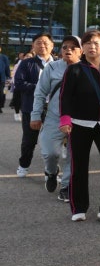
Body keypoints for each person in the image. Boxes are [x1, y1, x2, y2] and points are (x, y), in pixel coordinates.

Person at [59, 30, 100, 222]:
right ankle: (78, 207)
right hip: (80, 125)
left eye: (95, 43)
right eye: (87, 43)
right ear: (83, 48)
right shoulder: (75, 69)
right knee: (79, 166)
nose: (91, 46)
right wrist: (65, 119)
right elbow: (65, 96)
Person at [30, 36, 83, 200]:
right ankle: (51, 172)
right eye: (65, 47)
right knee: (50, 153)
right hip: (54, 118)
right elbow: (40, 93)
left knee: (74, 156)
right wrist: (35, 115)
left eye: (73, 47)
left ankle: (66, 187)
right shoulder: (52, 68)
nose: (68, 50)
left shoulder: (87, 69)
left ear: (81, 51)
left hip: (79, 120)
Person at [14, 32, 55, 177]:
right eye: (38, 42)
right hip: (31, 107)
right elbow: (18, 83)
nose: (42, 45)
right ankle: (24, 165)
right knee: (29, 140)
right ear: (33, 46)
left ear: (52, 45)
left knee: (51, 142)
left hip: (53, 109)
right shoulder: (27, 63)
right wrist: (39, 87)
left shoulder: (58, 64)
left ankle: (49, 171)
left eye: (45, 42)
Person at [0, 45, 10, 113]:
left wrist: (8, 77)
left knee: (1, 93)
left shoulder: (4, 57)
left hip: (1, 79)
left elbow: (7, 68)